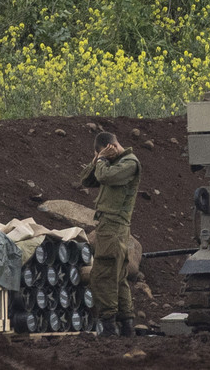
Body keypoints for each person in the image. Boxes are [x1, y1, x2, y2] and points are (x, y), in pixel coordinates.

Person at [79, 132, 141, 337]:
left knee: (103, 275)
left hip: (114, 227)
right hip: (111, 227)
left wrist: (103, 159)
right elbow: (87, 180)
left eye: (103, 152)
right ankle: (126, 325)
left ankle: (108, 327)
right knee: (118, 277)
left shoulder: (129, 163)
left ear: (110, 147)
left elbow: (104, 176)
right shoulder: (111, 163)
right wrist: (98, 159)